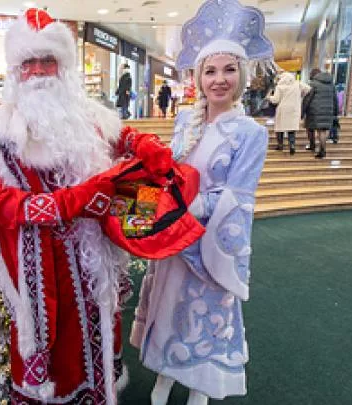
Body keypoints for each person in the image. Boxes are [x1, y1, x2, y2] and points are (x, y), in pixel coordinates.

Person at [0, 9, 186, 404]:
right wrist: (68, 203)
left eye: (48, 61)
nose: (39, 71)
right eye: (29, 62)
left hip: (97, 255)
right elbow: (0, 206)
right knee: (61, 356)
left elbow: (118, 137)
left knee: (101, 332)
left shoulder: (89, 117)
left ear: (64, 67)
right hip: (47, 267)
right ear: (16, 71)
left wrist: (143, 146)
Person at [130, 0, 271, 404]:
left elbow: (239, 196)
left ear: (242, 75)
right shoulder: (184, 121)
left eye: (229, 70)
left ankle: (199, 385)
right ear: (198, 76)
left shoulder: (250, 133)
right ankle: (164, 375)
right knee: (166, 303)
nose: (219, 79)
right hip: (173, 239)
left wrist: (192, 209)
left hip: (208, 244)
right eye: (210, 70)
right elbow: (167, 171)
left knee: (202, 312)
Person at [268, 71, 311, 154]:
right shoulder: (297, 84)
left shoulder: (280, 86)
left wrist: (269, 97)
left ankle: (280, 146)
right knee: (291, 128)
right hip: (294, 109)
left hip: (283, 109)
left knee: (280, 128)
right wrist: (300, 95)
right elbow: (308, 89)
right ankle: (292, 146)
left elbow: (276, 100)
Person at [303, 69, 338, 159]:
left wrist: (303, 111)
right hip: (328, 111)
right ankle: (322, 149)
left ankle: (313, 145)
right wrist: (335, 112)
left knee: (310, 128)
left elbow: (307, 99)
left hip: (314, 111)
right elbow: (335, 99)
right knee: (322, 131)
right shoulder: (331, 85)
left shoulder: (313, 84)